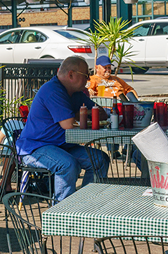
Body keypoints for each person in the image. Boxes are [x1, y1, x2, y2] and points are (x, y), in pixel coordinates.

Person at [15, 56, 108, 201]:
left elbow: (101, 113)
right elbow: (68, 125)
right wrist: (82, 114)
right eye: (86, 75)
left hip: (62, 146)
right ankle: (60, 215)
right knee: (67, 165)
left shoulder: (76, 93)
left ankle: (87, 206)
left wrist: (83, 113)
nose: (89, 79)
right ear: (71, 74)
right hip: (36, 147)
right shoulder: (53, 90)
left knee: (100, 159)